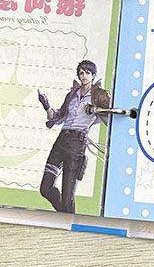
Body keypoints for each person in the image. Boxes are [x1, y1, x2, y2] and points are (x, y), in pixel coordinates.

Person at [38, 60, 110, 214]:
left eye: (87, 73)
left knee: (67, 196)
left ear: (93, 75)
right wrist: (46, 105)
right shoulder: (72, 95)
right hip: (61, 140)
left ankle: (66, 218)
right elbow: (57, 117)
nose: (84, 76)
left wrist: (96, 109)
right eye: (81, 73)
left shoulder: (99, 95)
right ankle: (66, 215)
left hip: (77, 142)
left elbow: (109, 117)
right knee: (45, 188)